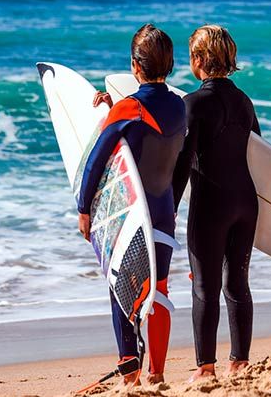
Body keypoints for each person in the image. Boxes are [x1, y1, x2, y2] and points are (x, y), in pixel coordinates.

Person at [80, 24, 186, 385]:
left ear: (134, 67)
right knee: (158, 291)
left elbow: (97, 160)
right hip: (165, 215)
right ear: (169, 66)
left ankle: (131, 376)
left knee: (122, 291)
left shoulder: (130, 108)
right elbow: (148, 140)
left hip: (133, 220)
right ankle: (157, 373)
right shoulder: (179, 106)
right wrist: (113, 108)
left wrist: (83, 209)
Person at [171, 25, 260, 381]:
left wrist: (170, 207)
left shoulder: (192, 104)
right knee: (237, 282)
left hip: (211, 204)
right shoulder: (244, 101)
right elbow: (259, 153)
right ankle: (240, 361)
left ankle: (206, 367)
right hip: (246, 203)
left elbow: (182, 161)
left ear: (198, 60)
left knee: (205, 285)